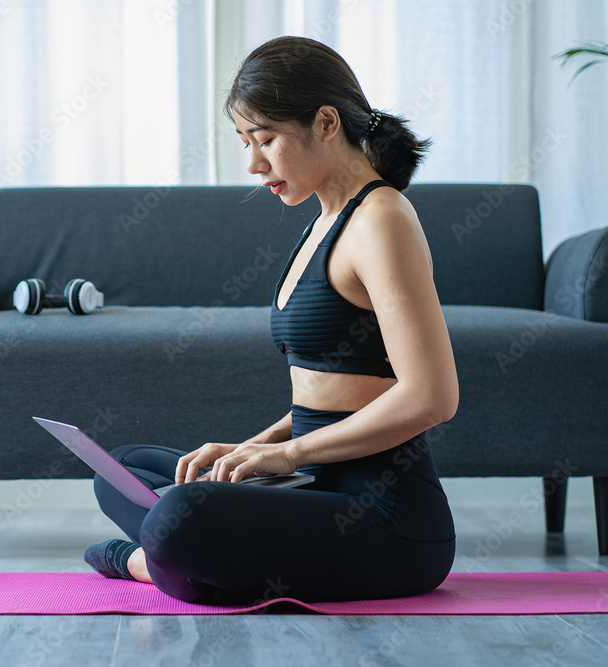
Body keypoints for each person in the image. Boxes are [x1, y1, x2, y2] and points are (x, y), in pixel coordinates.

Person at [83, 36, 459, 605]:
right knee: (123, 468)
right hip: (309, 486)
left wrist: (283, 457)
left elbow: (432, 397)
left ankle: (150, 561)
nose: (255, 165)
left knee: (179, 516)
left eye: (266, 140)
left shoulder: (381, 218)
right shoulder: (323, 220)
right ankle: (181, 557)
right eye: (245, 142)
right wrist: (250, 448)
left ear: (326, 122)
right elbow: (333, 395)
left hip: (384, 515)